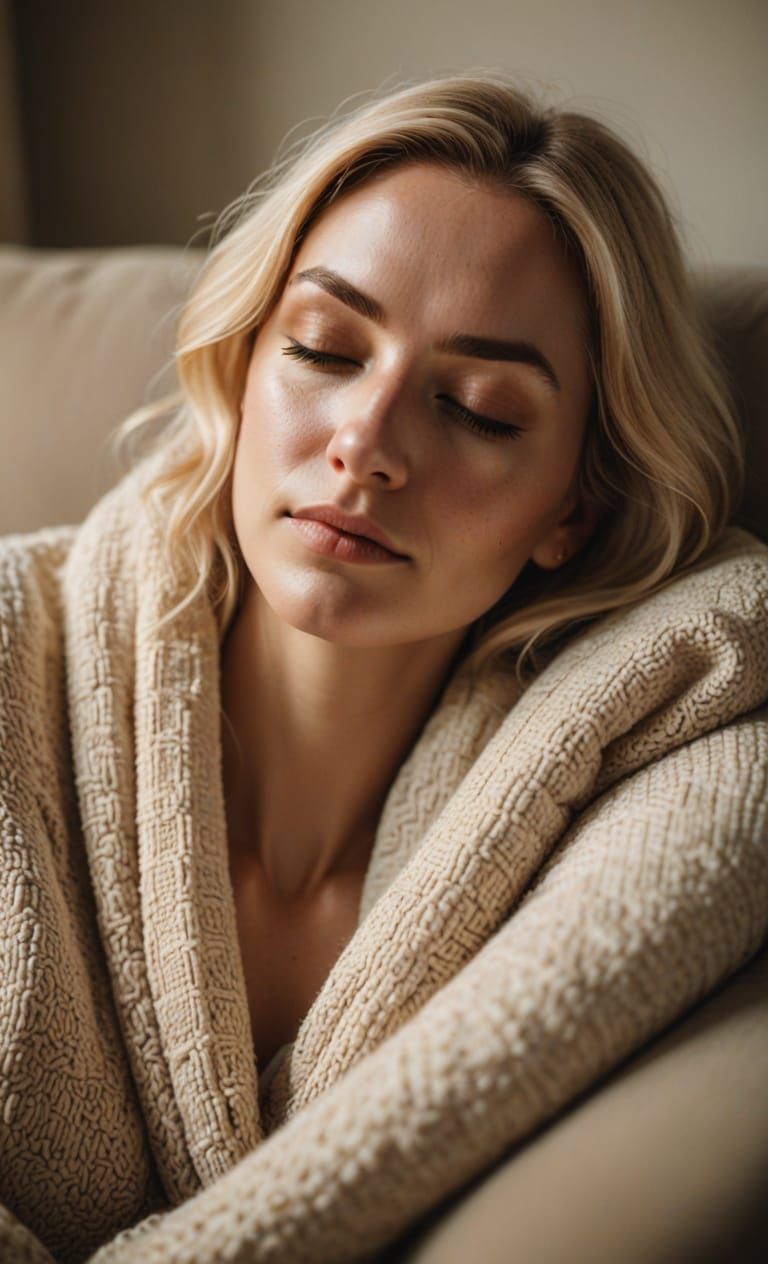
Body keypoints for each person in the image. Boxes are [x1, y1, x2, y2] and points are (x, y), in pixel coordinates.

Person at [1, 72, 766, 1264]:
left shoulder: (659, 778)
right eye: (322, 347)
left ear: (576, 505)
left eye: (477, 409)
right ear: (247, 367)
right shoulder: (12, 657)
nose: (366, 442)